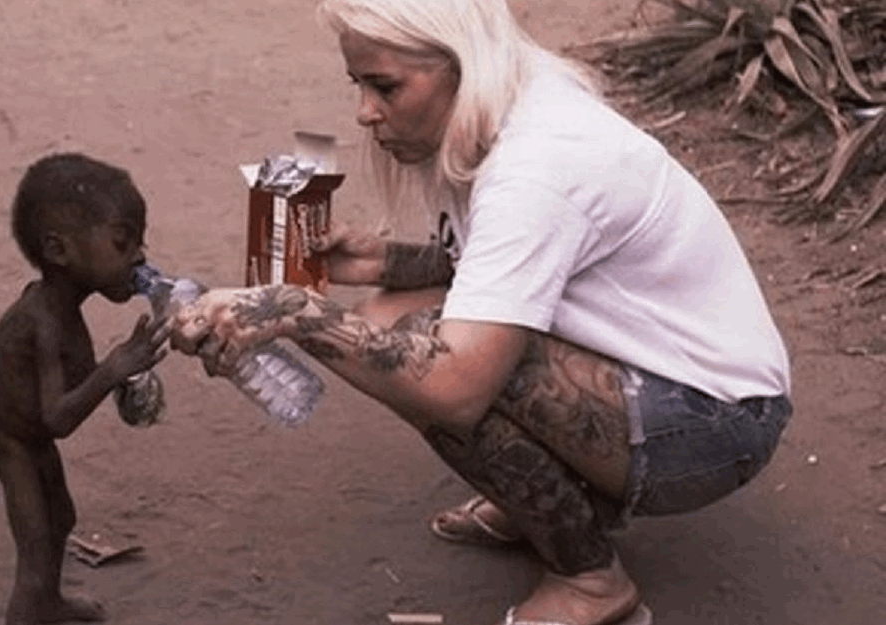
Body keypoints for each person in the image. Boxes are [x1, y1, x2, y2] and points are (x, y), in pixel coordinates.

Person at [171, 1, 793, 623]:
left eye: (384, 86)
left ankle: (590, 579)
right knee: (397, 315)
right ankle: (556, 500)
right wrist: (384, 262)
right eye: (358, 84)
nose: (364, 112)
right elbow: (499, 267)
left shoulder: (539, 168)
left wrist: (297, 311)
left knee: (415, 344)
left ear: (461, 66)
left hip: (715, 423)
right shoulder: (505, 102)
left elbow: (455, 389)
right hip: (663, 374)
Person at [0, 153, 169, 625]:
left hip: (33, 436)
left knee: (60, 516)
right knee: (36, 543)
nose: (140, 256)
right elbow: (58, 419)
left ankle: (48, 605)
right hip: (15, 444)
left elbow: (76, 385)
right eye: (123, 243)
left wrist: (129, 380)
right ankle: (28, 610)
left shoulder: (65, 307)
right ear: (59, 251)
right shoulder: (42, 321)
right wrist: (114, 368)